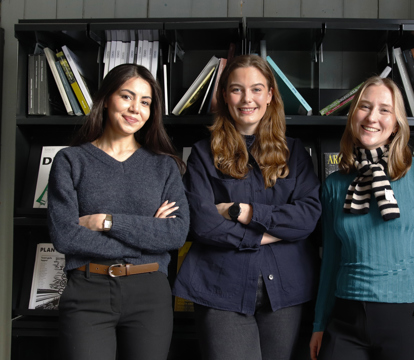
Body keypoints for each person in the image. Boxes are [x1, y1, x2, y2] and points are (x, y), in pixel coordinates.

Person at [309, 76, 414, 360]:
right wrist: (319, 325)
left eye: (384, 109)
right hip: (346, 321)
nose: (372, 117)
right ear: (353, 115)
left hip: (409, 321)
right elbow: (331, 261)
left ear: (396, 123)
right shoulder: (335, 185)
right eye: (364, 107)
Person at [173, 54, 322, 360]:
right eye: (237, 89)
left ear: (269, 95)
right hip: (219, 288)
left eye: (256, 89)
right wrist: (268, 234)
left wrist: (244, 211)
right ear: (225, 96)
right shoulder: (203, 154)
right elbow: (201, 223)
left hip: (287, 290)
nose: (247, 99)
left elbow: (307, 218)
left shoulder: (295, 153)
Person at [47, 64, 190, 360]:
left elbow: (175, 233)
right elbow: (64, 236)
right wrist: (147, 233)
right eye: (127, 96)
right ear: (107, 99)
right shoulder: (70, 161)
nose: (135, 108)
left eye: (145, 102)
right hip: (88, 290)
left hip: (150, 293)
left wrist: (106, 221)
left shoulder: (165, 166)